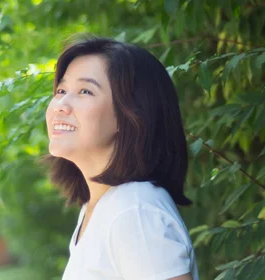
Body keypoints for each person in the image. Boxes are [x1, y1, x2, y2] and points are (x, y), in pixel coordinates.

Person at [42, 34, 200, 280]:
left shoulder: (134, 211)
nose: (61, 104)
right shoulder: (103, 206)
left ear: (131, 114)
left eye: (85, 91)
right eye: (61, 90)